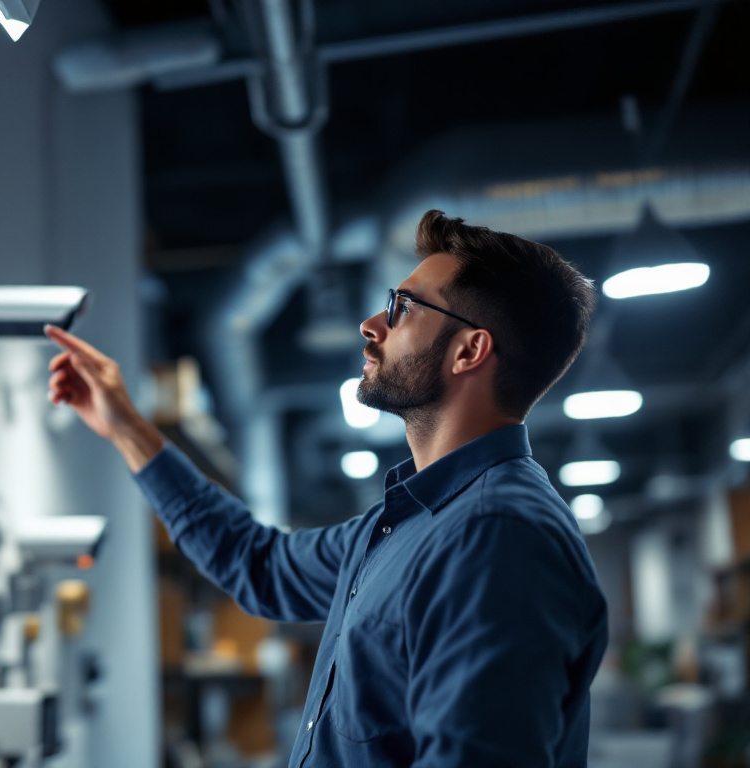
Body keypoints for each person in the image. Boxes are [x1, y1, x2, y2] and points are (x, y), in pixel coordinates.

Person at [44, 210, 608, 767]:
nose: (372, 324)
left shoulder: (496, 537)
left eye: (402, 309)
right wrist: (127, 428)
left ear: (469, 351)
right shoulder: (407, 523)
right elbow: (257, 563)